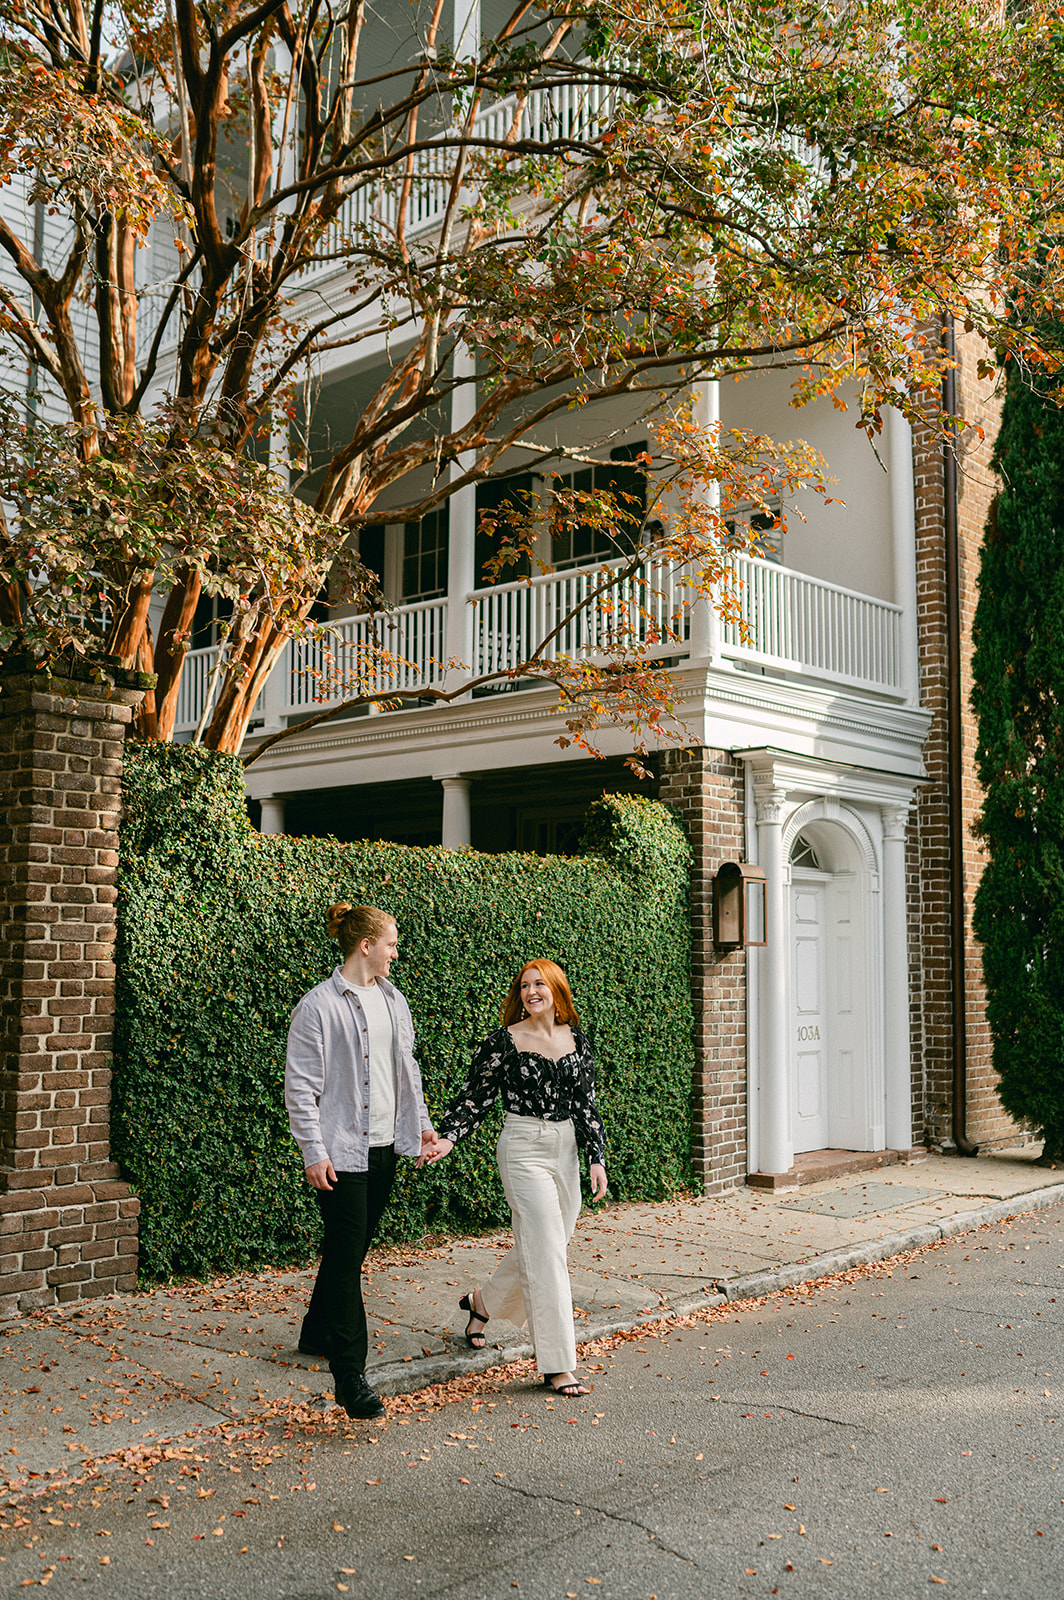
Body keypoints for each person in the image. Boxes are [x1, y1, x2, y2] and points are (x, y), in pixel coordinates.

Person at [426, 959, 607, 1398]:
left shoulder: (576, 1039)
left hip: (564, 1149)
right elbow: (474, 1097)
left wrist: (596, 1156)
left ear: (557, 990)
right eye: (524, 986)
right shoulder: (504, 1042)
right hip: (523, 1148)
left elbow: (586, 1102)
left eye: (539, 984)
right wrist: (448, 1137)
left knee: (545, 1245)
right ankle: (558, 1364)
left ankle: (480, 1304)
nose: (531, 992)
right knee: (547, 1256)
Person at [285, 903, 436, 1419]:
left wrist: (421, 1125)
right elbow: (301, 1089)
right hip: (341, 1150)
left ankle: (314, 1329)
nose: (397, 952)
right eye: (391, 943)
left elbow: (406, 1068)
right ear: (365, 946)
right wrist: (313, 1151)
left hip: (383, 1145)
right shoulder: (318, 1006)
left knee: (352, 1247)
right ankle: (350, 1375)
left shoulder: (394, 1000)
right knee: (349, 1255)